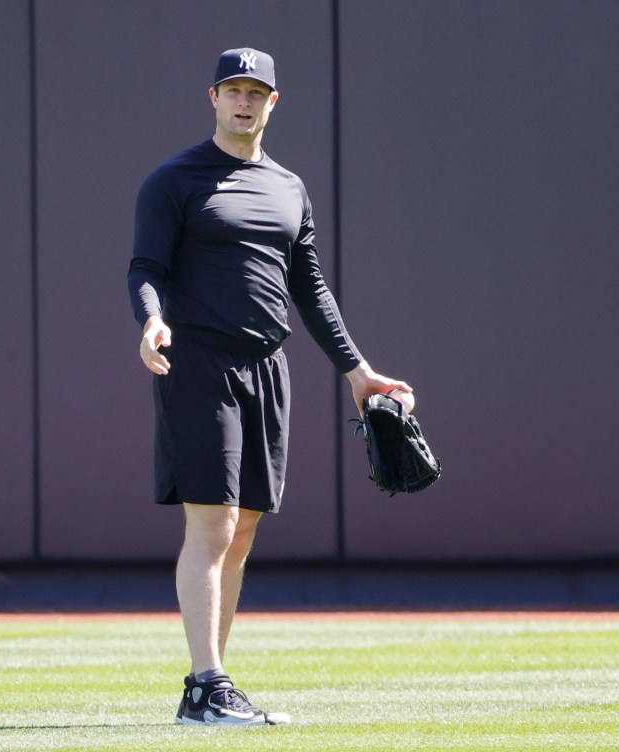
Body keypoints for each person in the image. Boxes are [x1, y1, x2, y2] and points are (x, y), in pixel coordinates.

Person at [127, 47, 412, 727]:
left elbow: (309, 289)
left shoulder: (289, 187)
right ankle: (206, 684)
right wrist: (151, 321)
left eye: (257, 91)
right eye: (234, 89)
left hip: (267, 366)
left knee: (246, 525)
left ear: (273, 102)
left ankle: (211, 687)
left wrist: (358, 371)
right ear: (214, 97)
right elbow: (145, 265)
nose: (244, 101)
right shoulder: (175, 180)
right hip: (198, 362)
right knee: (215, 522)